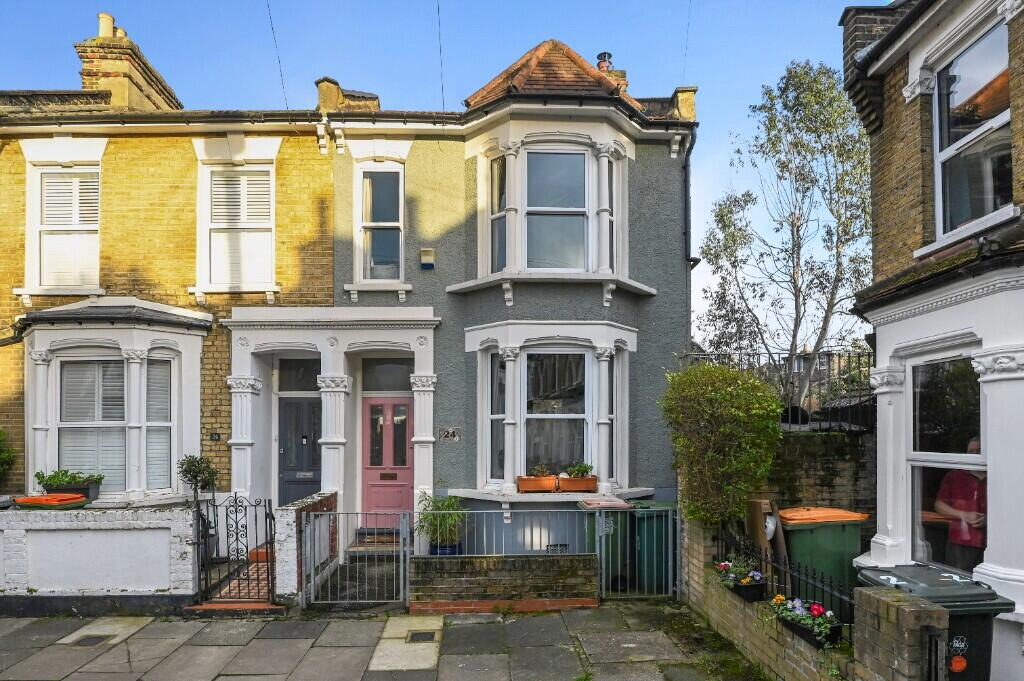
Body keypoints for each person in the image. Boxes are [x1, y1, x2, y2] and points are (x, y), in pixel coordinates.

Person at [934, 439, 986, 572]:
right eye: (971, 452)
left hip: (992, 542)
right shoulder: (955, 476)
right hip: (960, 541)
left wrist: (988, 519)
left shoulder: (999, 476)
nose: (974, 455)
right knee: (957, 582)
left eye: (979, 452)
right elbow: (939, 505)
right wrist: (964, 515)